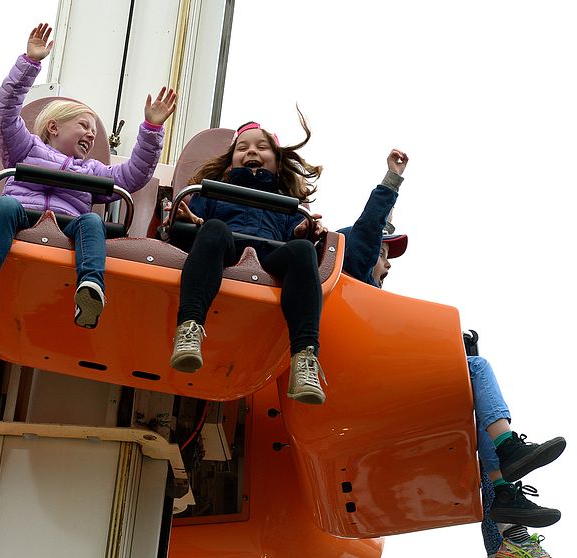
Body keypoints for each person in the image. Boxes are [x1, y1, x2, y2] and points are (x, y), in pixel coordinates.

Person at [340, 150, 564, 558]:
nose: (387, 266)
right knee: (476, 369)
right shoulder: (351, 282)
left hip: (380, 389)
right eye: (384, 255)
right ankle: (509, 456)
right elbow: (366, 231)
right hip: (364, 395)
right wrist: (391, 182)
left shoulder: (367, 307)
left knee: (471, 401)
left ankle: (506, 526)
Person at [0, 22, 176, 329]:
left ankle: (90, 288)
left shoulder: (91, 170)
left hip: (68, 221)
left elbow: (134, 176)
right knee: (4, 206)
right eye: (83, 125)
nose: (91, 133)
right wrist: (30, 63)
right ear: (53, 127)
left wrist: (151, 130)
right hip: (23, 213)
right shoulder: (25, 147)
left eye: (93, 130)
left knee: (91, 221)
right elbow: (4, 111)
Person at [170, 116, 328, 405]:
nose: (251, 152)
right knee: (214, 228)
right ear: (231, 163)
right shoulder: (214, 191)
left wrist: (304, 231)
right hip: (227, 248)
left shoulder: (286, 201)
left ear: (278, 162)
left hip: (270, 254)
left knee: (303, 250)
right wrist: (188, 217)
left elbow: (294, 233)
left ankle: (305, 357)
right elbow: (197, 219)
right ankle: (189, 328)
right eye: (242, 148)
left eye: (261, 147)